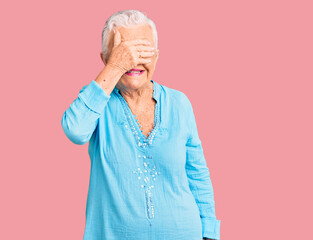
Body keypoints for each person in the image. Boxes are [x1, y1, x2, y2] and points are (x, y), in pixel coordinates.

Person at [61, 9, 221, 240]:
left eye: (143, 51)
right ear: (105, 59)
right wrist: (115, 68)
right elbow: (75, 130)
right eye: (124, 52)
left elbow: (197, 174)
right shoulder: (97, 101)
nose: (133, 61)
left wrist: (209, 233)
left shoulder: (179, 103)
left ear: (156, 55)